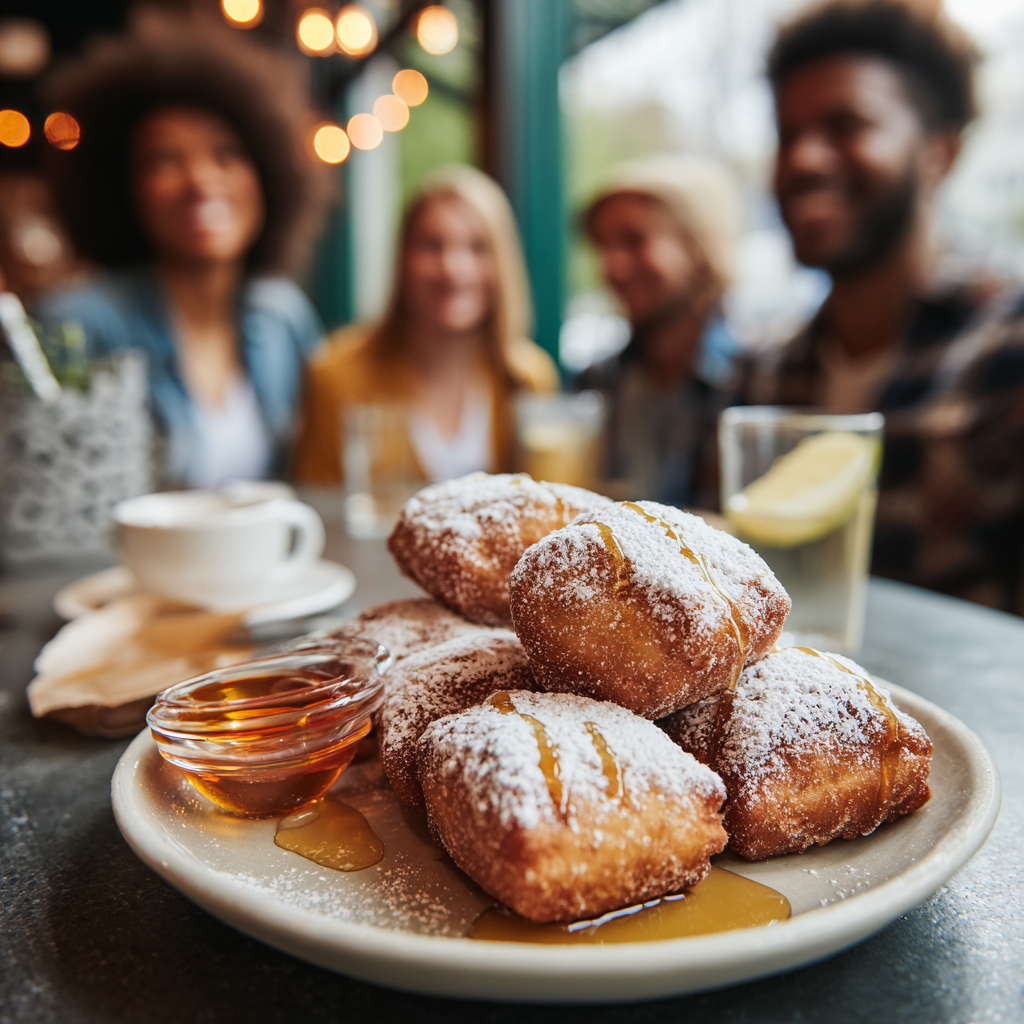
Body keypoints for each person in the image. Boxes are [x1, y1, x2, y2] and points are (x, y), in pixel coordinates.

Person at [740, 0, 1024, 614]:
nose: (803, 159)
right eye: (788, 135)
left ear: (939, 153)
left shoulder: (1009, 346)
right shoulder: (758, 374)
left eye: (846, 125)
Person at [35, 14, 328, 488]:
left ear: (266, 174)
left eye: (227, 153)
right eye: (165, 159)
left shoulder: (284, 321)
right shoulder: (76, 327)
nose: (201, 181)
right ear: (124, 187)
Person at [293, 165, 558, 485]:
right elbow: (318, 500)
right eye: (432, 245)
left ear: (501, 264)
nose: (452, 268)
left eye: (477, 248)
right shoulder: (335, 375)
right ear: (403, 259)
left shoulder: (530, 378)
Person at [576, 156, 742, 509]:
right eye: (603, 246)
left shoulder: (759, 381)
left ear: (699, 245)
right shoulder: (595, 384)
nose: (613, 266)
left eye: (634, 240)